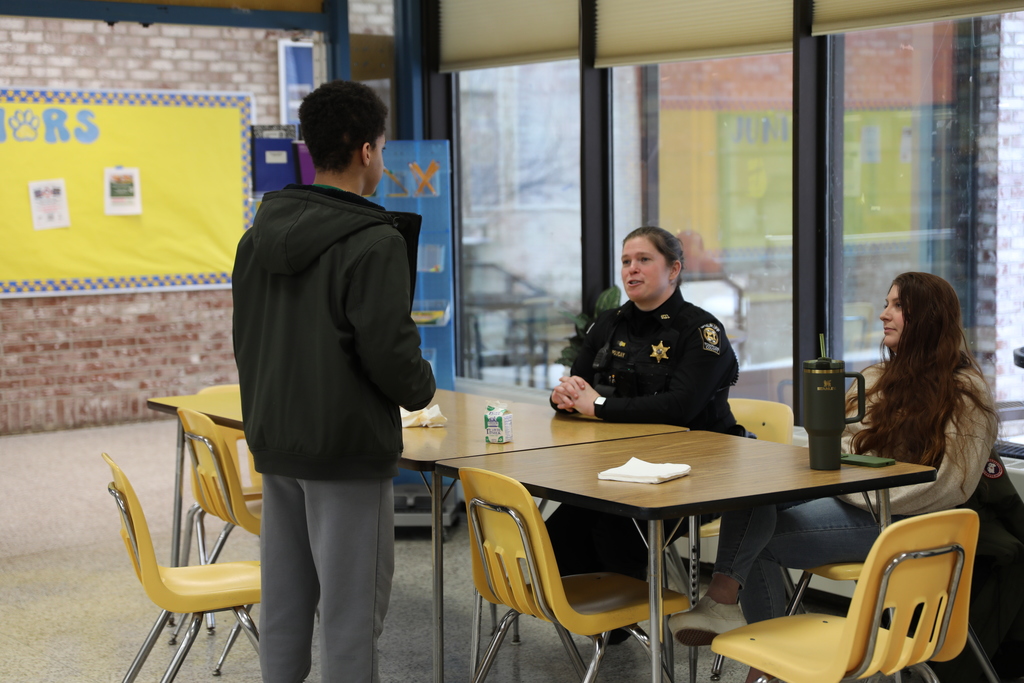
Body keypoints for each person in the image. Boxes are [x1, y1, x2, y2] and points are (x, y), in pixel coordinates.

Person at [669, 271, 998, 683]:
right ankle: (731, 612)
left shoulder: (965, 393)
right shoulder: (878, 379)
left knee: (756, 543)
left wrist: (858, 487)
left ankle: (763, 664)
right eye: (886, 303)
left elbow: (950, 483)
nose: (883, 315)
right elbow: (836, 444)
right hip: (853, 498)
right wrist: (849, 472)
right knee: (752, 497)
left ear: (928, 317)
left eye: (897, 306)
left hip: (905, 523)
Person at [232, 80, 435, 683]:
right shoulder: (375, 241)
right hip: (346, 450)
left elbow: (247, 340)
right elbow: (391, 355)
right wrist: (421, 390)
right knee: (349, 618)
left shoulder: (256, 236)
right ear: (367, 151)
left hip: (277, 443)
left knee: (287, 606)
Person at [546, 226, 742, 585]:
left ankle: (624, 618)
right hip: (619, 463)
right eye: (626, 261)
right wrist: (564, 398)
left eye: (644, 260)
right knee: (558, 531)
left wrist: (598, 405)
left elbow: (679, 407)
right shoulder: (608, 324)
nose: (631, 269)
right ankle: (600, 621)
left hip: (693, 470)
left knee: (615, 529)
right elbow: (580, 386)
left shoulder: (700, 331)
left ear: (673, 270)